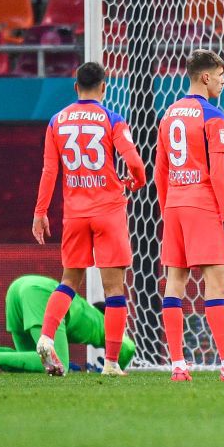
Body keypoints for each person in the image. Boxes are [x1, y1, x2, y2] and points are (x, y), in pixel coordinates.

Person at [155, 50, 224, 382]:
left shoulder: (169, 114)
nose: (223, 81)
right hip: (202, 204)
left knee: (175, 283)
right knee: (216, 283)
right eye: (220, 75)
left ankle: (177, 365)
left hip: (174, 204)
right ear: (205, 77)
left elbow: (161, 171)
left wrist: (168, 209)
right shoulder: (213, 115)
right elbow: (218, 174)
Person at [32, 62, 146, 377]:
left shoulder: (57, 122)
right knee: (114, 290)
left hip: (76, 213)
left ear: (75, 87)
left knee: (69, 281)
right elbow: (134, 162)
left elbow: (49, 171)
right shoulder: (113, 120)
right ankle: (110, 363)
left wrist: (40, 212)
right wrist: (134, 182)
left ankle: (45, 337)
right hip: (108, 210)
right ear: (104, 87)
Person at [0, 275, 137, 374]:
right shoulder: (104, 323)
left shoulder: (85, 310)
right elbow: (129, 347)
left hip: (18, 288)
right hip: (40, 293)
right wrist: (111, 367)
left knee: (29, 364)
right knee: (58, 364)